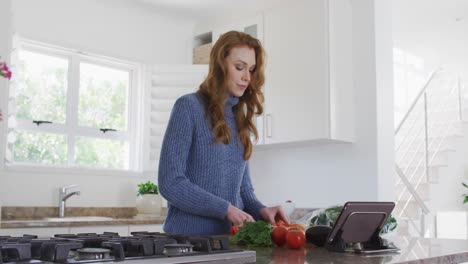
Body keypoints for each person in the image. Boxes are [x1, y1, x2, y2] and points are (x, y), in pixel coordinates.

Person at [158, 31, 288, 235]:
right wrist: (225, 209)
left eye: (251, 69)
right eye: (239, 67)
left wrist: (263, 210)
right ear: (220, 66)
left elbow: (244, 191)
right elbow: (170, 183)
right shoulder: (188, 107)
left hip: (229, 241)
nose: (247, 77)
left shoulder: (240, 120)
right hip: (187, 243)